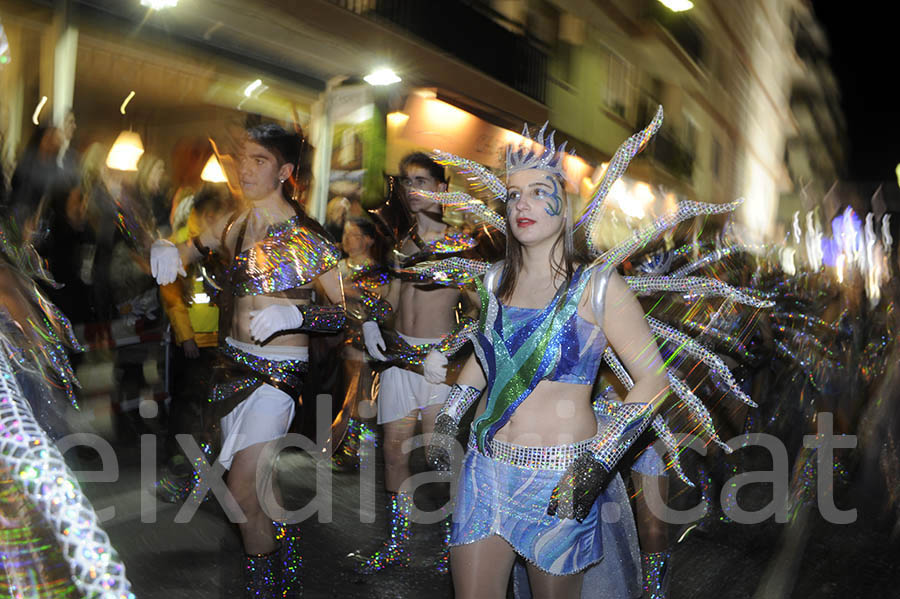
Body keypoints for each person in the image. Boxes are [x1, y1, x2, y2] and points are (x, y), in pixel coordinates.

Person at [425, 131, 670, 598]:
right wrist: (450, 416)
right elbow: (489, 356)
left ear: (567, 205)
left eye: (540, 192)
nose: (523, 204)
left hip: (559, 479)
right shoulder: (495, 280)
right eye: (514, 194)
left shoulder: (599, 287)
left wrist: (598, 463)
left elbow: (654, 379)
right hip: (485, 468)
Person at [150, 123, 345, 597]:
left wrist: (293, 311)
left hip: (276, 377)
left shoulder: (308, 237)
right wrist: (165, 250)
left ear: (284, 172)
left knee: (239, 488)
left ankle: (263, 586)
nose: (246, 169)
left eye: (259, 160)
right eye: (243, 159)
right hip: (229, 369)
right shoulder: (233, 224)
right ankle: (286, 551)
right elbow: (185, 251)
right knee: (256, 485)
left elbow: (347, 312)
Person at [356, 152, 477, 575]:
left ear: (442, 189)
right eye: (407, 181)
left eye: (422, 180)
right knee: (392, 452)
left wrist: (453, 350)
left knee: (439, 456)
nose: (412, 189)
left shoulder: (461, 245)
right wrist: (371, 320)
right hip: (398, 360)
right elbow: (391, 299)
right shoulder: (400, 244)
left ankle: (456, 544)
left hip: (438, 364)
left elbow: (482, 313)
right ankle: (396, 543)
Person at [330, 216, 390, 471]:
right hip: (337, 341)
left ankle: (352, 448)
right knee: (345, 393)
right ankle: (345, 445)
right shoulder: (337, 267)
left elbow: (380, 304)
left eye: (354, 235)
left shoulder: (378, 272)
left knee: (360, 396)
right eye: (346, 234)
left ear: (368, 240)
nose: (347, 240)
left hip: (365, 343)